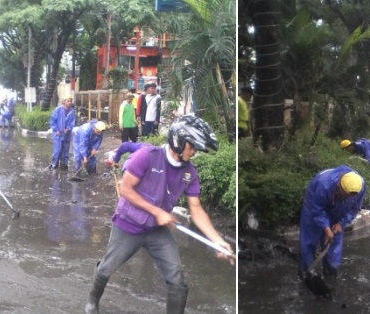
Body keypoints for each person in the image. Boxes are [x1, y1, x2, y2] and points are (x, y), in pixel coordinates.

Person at [85, 115, 234, 314]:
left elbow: (196, 209)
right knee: (106, 268)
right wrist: (157, 211)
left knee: (177, 280)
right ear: (177, 141)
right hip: (129, 225)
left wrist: (217, 241)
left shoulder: (190, 172)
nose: (194, 151)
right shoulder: (147, 156)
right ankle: (92, 301)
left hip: (157, 229)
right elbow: (126, 190)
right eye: (191, 146)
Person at [298, 166, 365, 282]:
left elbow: (354, 208)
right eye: (345, 195)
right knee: (309, 240)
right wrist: (325, 227)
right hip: (315, 204)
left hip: (339, 209)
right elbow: (317, 210)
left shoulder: (359, 186)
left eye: (350, 196)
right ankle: (306, 272)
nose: (348, 197)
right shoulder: (324, 186)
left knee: (333, 241)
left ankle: (331, 274)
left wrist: (341, 223)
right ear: (339, 185)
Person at [48, 95, 76, 170]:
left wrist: (68, 129)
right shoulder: (58, 110)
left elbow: (72, 122)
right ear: (64, 101)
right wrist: (56, 130)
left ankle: (64, 165)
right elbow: (52, 121)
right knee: (57, 151)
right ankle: (54, 165)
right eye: (68, 101)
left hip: (67, 135)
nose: (70, 103)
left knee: (66, 150)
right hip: (58, 134)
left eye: (70, 101)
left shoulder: (72, 111)